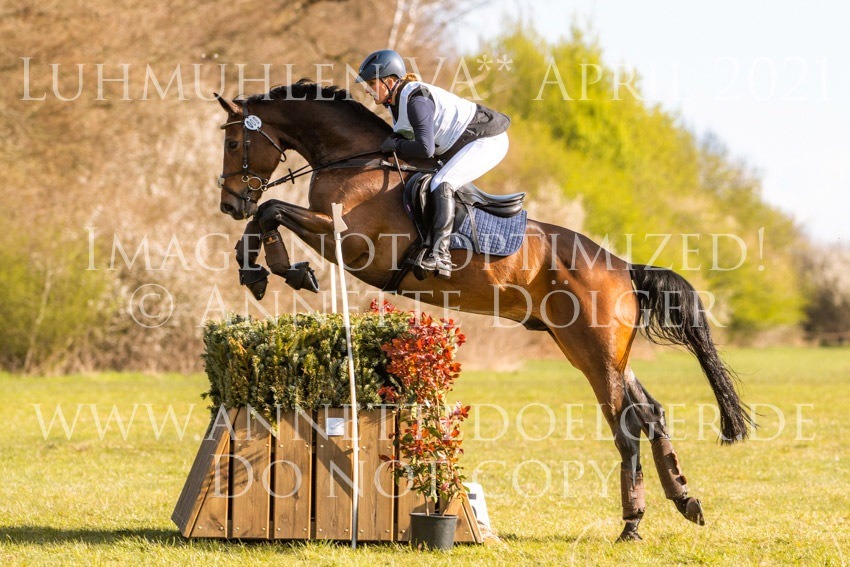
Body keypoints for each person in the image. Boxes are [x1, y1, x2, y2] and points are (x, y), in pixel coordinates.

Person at [356, 49, 511, 278]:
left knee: (442, 182)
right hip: (460, 143)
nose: (367, 90)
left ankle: (441, 254)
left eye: (371, 83)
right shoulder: (395, 102)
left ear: (389, 81)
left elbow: (425, 149)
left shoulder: (416, 101)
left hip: (488, 140)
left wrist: (396, 145)